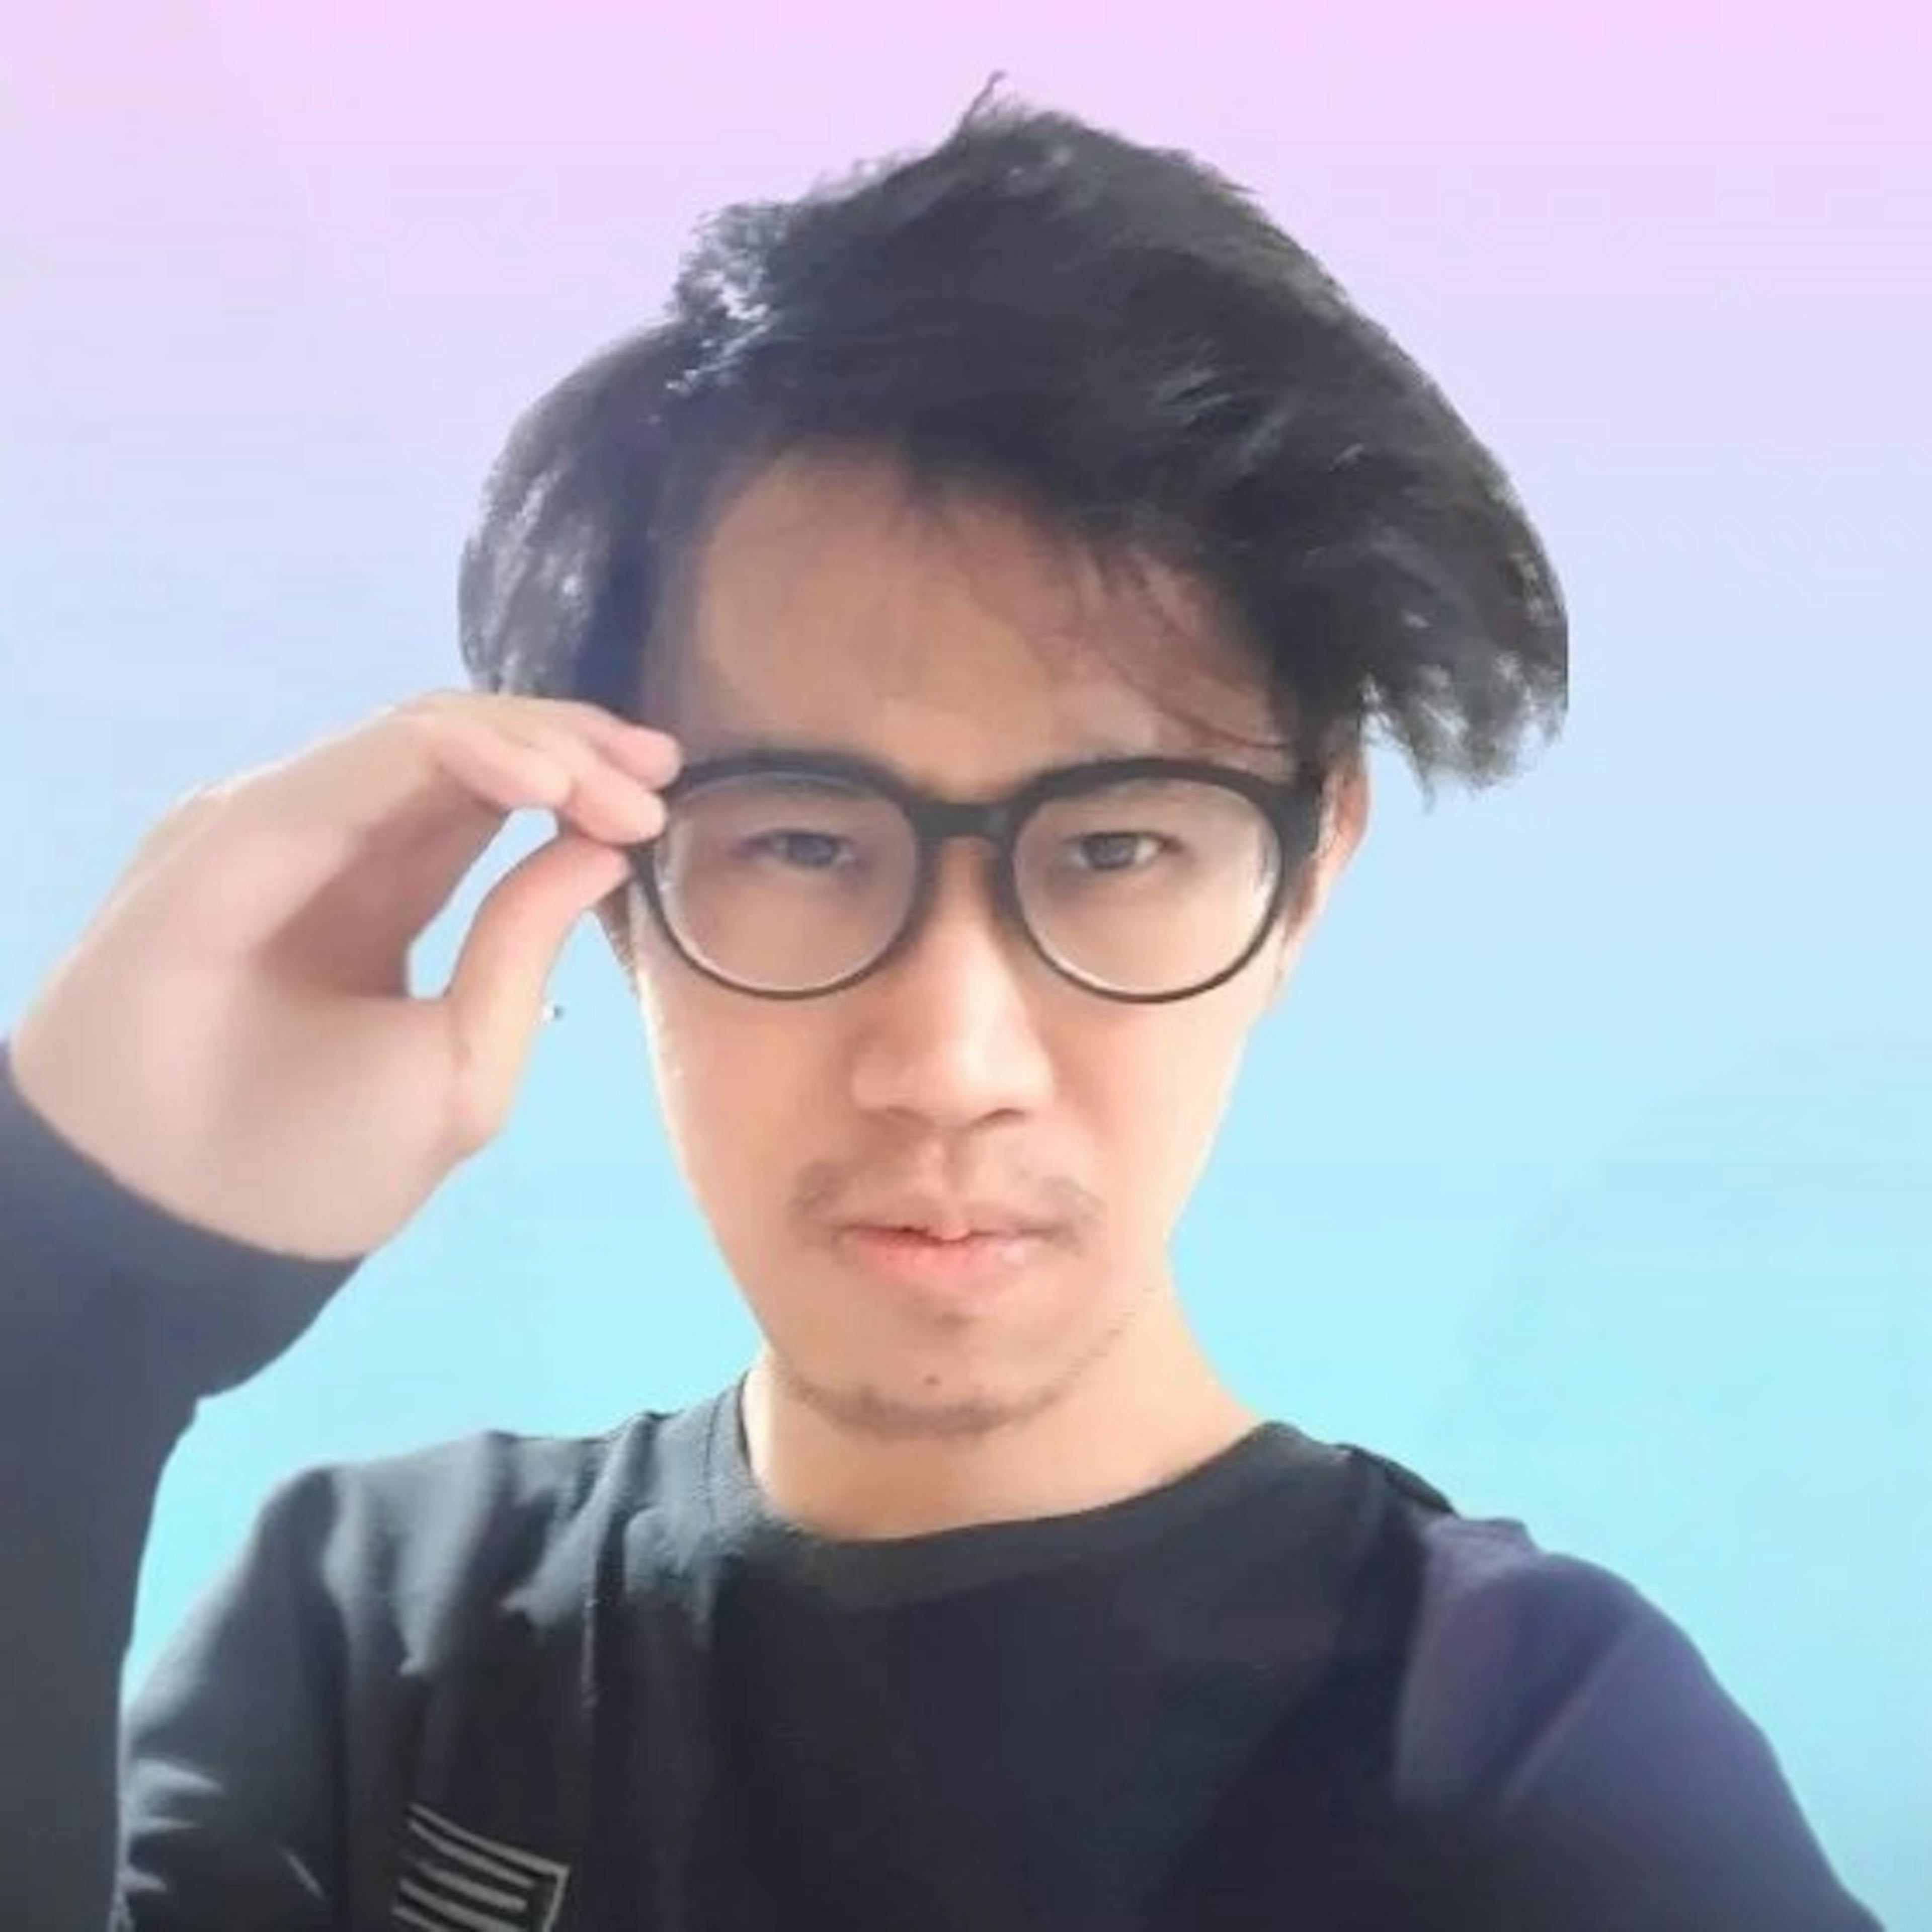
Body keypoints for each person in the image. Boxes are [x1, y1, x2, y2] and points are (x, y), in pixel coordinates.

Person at [0, 92, 1881, 1932]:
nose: (950, 1065)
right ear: (614, 882)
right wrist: (70, 1297)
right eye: (808, 843)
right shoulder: (375, 1645)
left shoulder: (1519, 1757)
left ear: (1304, 879)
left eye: (1118, 848)